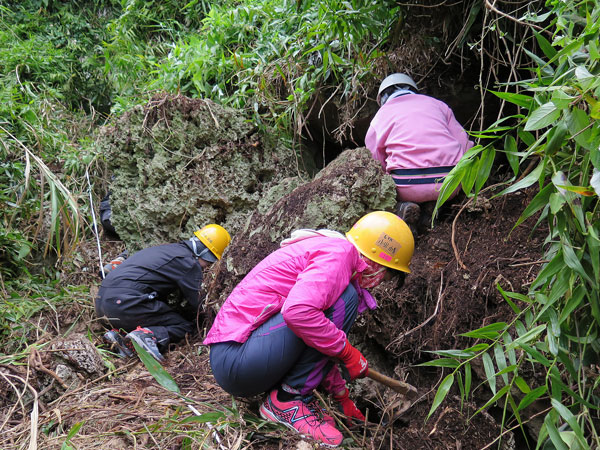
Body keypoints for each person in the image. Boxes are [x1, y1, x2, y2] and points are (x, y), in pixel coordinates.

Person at [204, 211, 414, 447]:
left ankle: (291, 397)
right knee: (346, 299)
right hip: (237, 359)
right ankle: (286, 401)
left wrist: (340, 394)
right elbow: (298, 313)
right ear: (377, 262)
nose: (378, 283)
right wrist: (347, 352)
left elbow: (313, 342)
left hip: (245, 357)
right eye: (385, 276)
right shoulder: (339, 254)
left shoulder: (330, 253)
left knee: (336, 307)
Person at [96, 224, 231, 361]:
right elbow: (201, 303)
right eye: (209, 263)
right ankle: (147, 335)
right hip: (125, 304)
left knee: (156, 314)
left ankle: (118, 336)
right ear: (206, 255)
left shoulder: (167, 250)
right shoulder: (188, 262)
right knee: (183, 326)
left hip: (102, 304)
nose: (207, 268)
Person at [365, 73, 474, 227]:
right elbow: (464, 142)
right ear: (413, 89)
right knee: (442, 188)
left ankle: (401, 209)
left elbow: (374, 159)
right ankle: (433, 208)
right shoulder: (438, 105)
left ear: (382, 98)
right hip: (450, 182)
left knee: (384, 190)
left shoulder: (380, 116)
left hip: (406, 185)